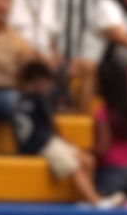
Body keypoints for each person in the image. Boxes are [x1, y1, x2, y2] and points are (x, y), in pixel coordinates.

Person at [12, 61, 114, 206]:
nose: (49, 87)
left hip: (42, 142)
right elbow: (52, 123)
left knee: (88, 160)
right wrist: (63, 139)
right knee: (76, 167)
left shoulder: (20, 99)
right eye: (47, 82)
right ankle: (96, 201)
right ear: (38, 82)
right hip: (42, 145)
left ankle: (84, 200)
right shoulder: (37, 99)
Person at [92, 54, 127, 201]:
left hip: (111, 171)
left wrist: (86, 151)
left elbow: (102, 147)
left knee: (109, 214)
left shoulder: (103, 114)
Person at [0, 0, 35, 125]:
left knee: (16, 100)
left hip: (5, 95)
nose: (1, 6)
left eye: (5, 0)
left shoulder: (18, 41)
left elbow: (28, 75)